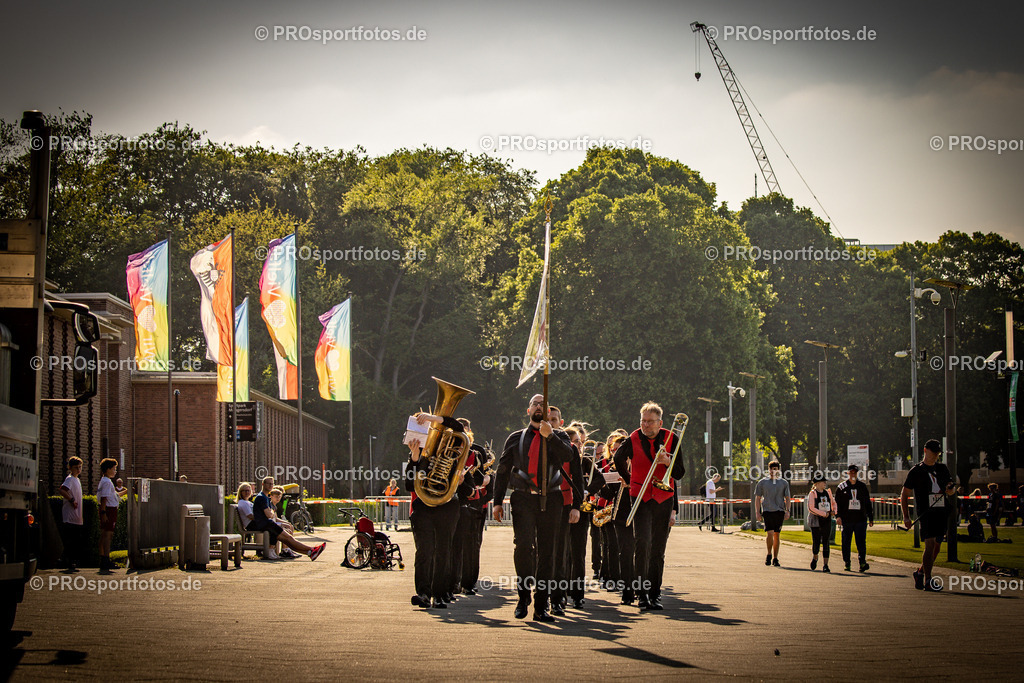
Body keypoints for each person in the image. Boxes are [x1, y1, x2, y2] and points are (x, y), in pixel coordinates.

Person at [492, 393, 573, 622]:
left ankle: (541, 604)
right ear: (528, 410)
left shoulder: (560, 436)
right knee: (524, 546)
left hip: (552, 499)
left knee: (548, 552)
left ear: (548, 412)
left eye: (543, 404)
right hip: (523, 498)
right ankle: (523, 594)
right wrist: (497, 502)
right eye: (534, 404)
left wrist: (551, 437)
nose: (539, 407)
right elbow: (503, 469)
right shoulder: (515, 438)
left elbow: (569, 456)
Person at [613, 402, 684, 611]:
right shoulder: (633, 438)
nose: (645, 425)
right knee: (642, 543)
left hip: (663, 497)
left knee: (658, 548)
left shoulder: (672, 438)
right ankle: (641, 593)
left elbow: (679, 472)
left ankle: (654, 593)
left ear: (660, 422)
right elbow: (618, 458)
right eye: (643, 421)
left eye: (650, 422)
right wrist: (629, 478)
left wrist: (667, 462)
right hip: (640, 496)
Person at [406, 411, 470, 609]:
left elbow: (459, 429)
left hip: (447, 506)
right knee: (424, 551)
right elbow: (409, 484)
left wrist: (433, 418)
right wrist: (415, 459)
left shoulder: (455, 448)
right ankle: (423, 593)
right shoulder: (421, 452)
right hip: (423, 507)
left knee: (444, 551)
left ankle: (440, 594)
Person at [901, 439, 955, 591]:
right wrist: (906, 516)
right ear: (925, 450)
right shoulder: (916, 471)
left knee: (936, 547)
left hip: (941, 511)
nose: (936, 455)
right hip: (926, 512)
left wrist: (951, 490)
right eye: (934, 452)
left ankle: (920, 573)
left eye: (938, 453)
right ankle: (928, 580)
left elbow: (951, 488)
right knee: (929, 544)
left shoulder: (942, 469)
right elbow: (904, 494)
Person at [251, 476, 325, 561]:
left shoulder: (265, 497)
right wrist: (271, 511)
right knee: (289, 539)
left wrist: (270, 511)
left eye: (272, 484)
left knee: (288, 540)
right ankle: (312, 550)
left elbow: (270, 513)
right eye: (269, 484)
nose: (271, 485)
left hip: (267, 524)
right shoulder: (262, 497)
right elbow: (268, 514)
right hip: (266, 524)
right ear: (263, 484)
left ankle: (310, 552)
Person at [834, 465, 874, 572]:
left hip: (860, 519)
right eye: (851, 472)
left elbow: (867, 502)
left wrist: (870, 517)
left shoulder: (862, 486)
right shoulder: (842, 487)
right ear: (847, 473)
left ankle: (862, 562)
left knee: (861, 541)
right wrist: (838, 516)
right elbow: (836, 503)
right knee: (846, 541)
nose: (853, 474)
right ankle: (847, 562)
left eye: (855, 473)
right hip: (847, 519)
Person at [754, 461, 791, 567]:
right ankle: (769, 553)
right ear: (768, 470)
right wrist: (757, 512)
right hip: (767, 511)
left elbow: (787, 498)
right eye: (771, 469)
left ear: (778, 470)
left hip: (779, 511)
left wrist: (787, 511)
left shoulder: (784, 483)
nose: (773, 471)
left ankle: (775, 557)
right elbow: (757, 498)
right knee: (770, 533)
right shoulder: (762, 483)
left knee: (777, 534)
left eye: (775, 469)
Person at [806, 471, 836, 572]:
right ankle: (815, 557)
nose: (825, 484)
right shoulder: (812, 494)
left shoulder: (828, 492)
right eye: (823, 482)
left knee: (826, 541)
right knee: (816, 541)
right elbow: (811, 508)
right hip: (816, 521)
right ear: (817, 483)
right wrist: (823, 513)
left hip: (826, 520)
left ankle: (826, 564)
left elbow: (833, 503)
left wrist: (833, 511)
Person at [58, 456, 84, 572]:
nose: (78, 470)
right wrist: (71, 499)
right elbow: (62, 490)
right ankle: (67, 561)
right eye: (76, 467)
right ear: (70, 468)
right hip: (70, 516)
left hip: (77, 516)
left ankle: (71, 560)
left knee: (75, 540)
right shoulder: (69, 479)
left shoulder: (77, 480)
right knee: (70, 539)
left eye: (80, 467)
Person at [97, 458, 120, 572]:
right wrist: (104, 512)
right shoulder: (106, 482)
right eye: (114, 469)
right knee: (108, 535)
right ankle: (105, 558)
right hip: (109, 510)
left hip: (109, 509)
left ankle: (104, 558)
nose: (115, 471)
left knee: (105, 534)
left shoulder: (105, 481)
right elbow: (104, 498)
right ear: (107, 469)